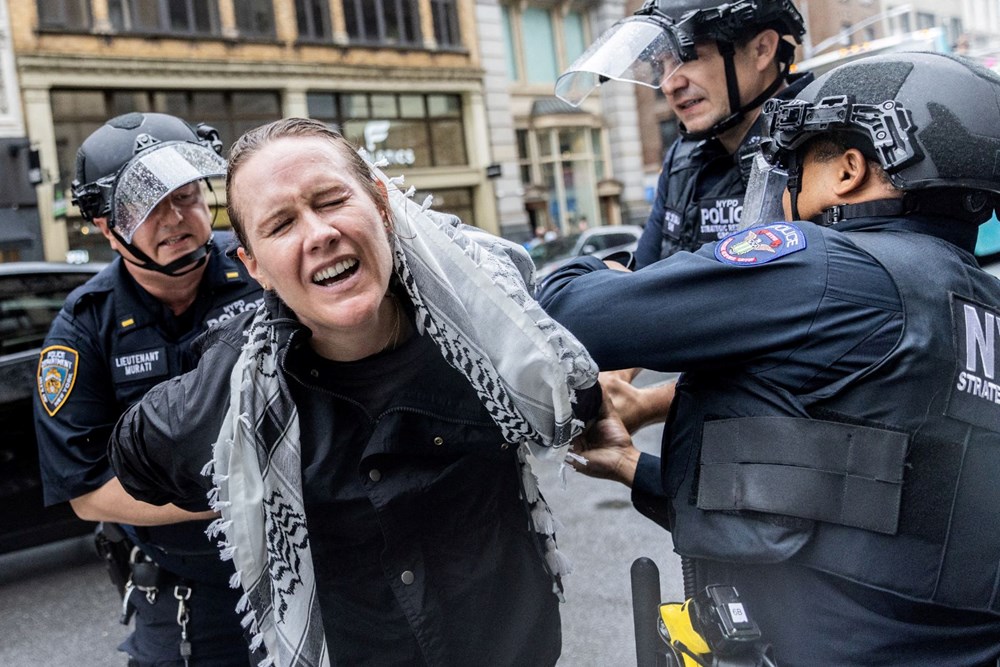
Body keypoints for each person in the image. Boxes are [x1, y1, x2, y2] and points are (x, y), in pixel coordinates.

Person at [537, 52, 1000, 666]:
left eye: (800, 162)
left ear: (849, 170)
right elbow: (860, 501)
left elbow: (569, 311)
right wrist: (630, 465)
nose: (783, 187)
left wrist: (618, 269)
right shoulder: (980, 307)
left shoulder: (830, 266)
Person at [108, 118, 602, 666]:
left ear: (383, 206)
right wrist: (245, 486)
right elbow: (133, 457)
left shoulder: (491, 328)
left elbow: (574, 396)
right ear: (254, 268)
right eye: (280, 224)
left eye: (331, 199)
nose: (318, 233)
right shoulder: (227, 400)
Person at [33, 112, 264, 666]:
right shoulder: (84, 326)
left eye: (185, 196)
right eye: (147, 205)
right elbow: (88, 493)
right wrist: (242, 492)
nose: (176, 218)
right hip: (192, 592)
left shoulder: (263, 260)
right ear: (106, 227)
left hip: (319, 559)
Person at [557, 0, 810, 268]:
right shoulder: (682, 158)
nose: (669, 84)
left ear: (762, 50)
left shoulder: (826, 144)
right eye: (660, 66)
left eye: (687, 56)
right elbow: (645, 270)